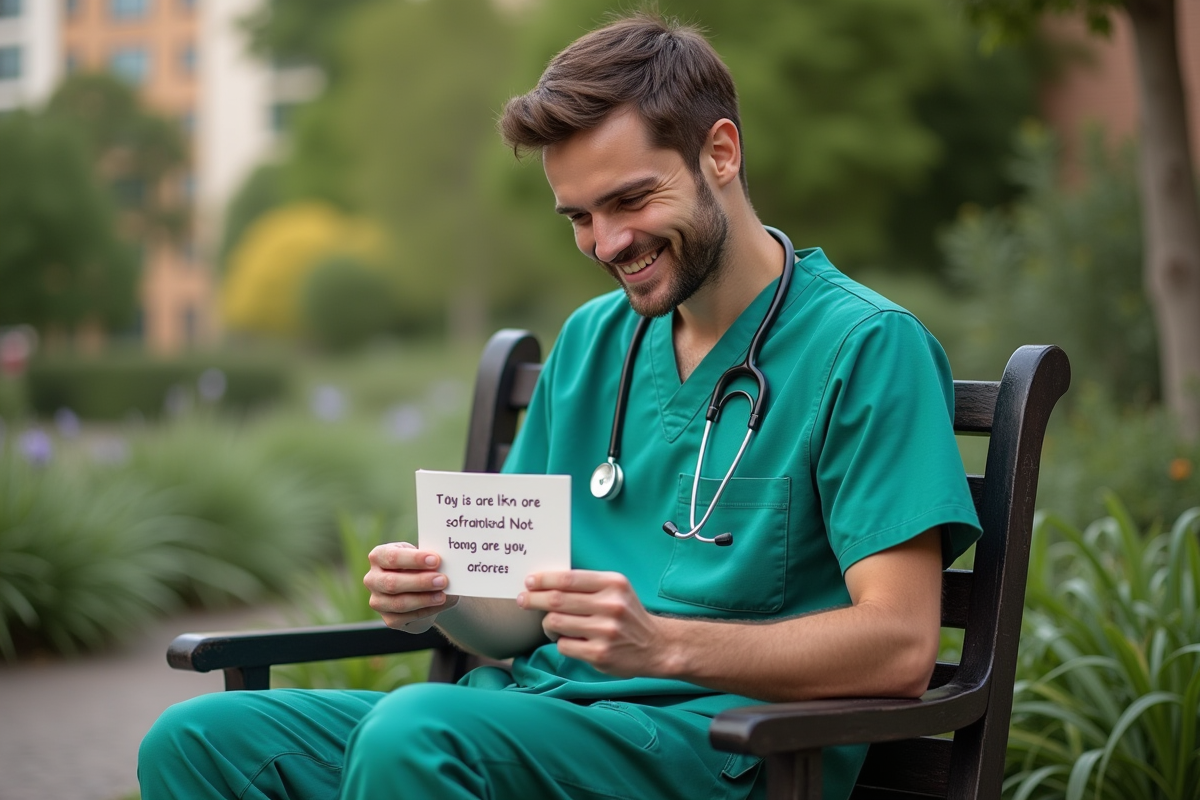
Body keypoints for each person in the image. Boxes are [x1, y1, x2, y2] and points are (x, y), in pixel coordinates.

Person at [138, 12, 981, 800]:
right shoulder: (590, 343)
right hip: (537, 718)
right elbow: (512, 620)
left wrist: (665, 644)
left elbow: (901, 647)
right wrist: (445, 598)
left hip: (723, 744)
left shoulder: (865, 348)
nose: (607, 244)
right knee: (196, 741)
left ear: (720, 153)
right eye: (579, 216)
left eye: (630, 200)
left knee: (416, 734)